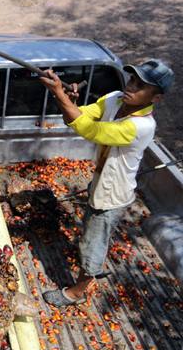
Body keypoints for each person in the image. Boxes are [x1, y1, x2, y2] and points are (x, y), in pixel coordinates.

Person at [39, 59, 174, 307]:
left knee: (94, 240)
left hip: (113, 193)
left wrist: (59, 93)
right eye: (132, 79)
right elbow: (79, 117)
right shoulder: (115, 98)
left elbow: (90, 130)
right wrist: (69, 99)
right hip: (100, 181)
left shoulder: (141, 127)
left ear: (156, 98)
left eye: (141, 85)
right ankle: (88, 267)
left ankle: (78, 291)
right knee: (92, 228)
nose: (131, 86)